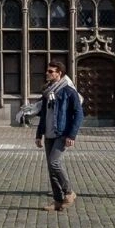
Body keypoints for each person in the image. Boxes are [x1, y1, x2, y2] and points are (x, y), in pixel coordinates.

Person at [32, 60, 84, 212]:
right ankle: (57, 200)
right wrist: (38, 134)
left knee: (55, 163)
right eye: (47, 71)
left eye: (50, 71)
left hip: (62, 133)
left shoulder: (68, 91)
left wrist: (72, 135)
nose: (47, 73)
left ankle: (69, 192)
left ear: (59, 73)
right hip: (49, 134)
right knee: (51, 168)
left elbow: (79, 114)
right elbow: (44, 115)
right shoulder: (48, 92)